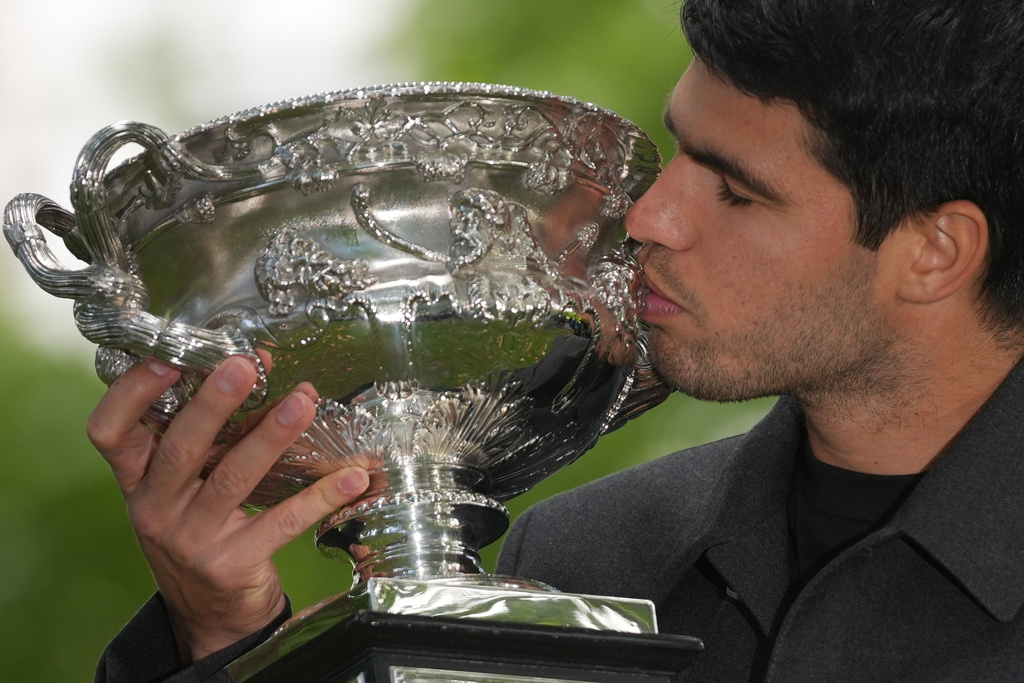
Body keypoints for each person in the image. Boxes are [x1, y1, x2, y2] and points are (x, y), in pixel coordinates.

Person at [92, 0, 1024, 680]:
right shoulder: (593, 549)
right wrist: (226, 643)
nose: (651, 216)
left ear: (935, 253)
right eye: (675, 156)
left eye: (736, 192)